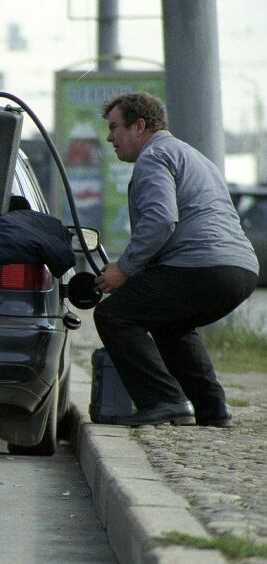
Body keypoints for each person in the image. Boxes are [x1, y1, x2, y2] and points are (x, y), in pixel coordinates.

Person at [93, 91, 259, 427]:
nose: (110, 137)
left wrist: (124, 269)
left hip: (203, 266)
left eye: (114, 127)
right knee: (171, 324)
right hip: (240, 270)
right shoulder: (191, 155)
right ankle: (213, 410)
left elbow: (160, 218)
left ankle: (164, 401)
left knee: (114, 315)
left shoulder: (154, 157)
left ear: (139, 126)